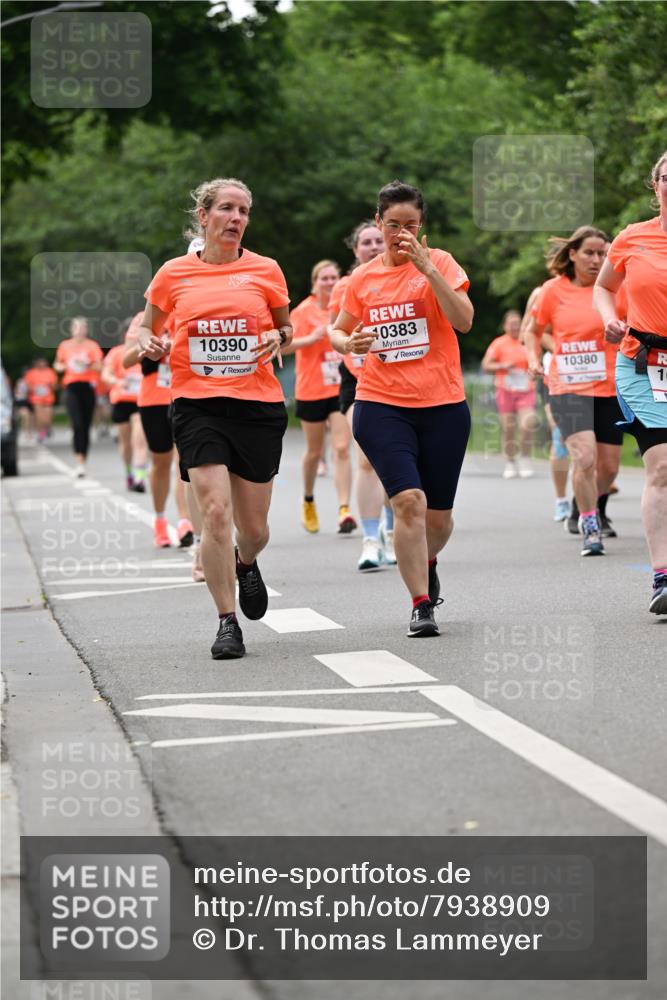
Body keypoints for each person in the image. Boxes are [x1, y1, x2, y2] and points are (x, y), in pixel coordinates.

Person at [136, 177, 292, 659]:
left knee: (256, 528)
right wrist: (150, 341)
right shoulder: (173, 273)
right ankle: (227, 622)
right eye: (226, 208)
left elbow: (286, 326)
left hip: (257, 407)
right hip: (197, 405)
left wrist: (278, 337)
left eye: (244, 210)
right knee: (215, 512)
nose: (237, 218)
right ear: (204, 217)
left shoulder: (265, 270)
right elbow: (147, 327)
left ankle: (247, 563)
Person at [331, 180, 473, 637]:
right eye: (392, 224)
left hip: (443, 404)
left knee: (439, 517)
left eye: (409, 224)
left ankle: (427, 562)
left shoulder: (443, 263)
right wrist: (348, 342)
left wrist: (429, 269)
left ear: (421, 225)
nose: (400, 233)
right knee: (409, 501)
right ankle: (420, 604)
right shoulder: (363, 278)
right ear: (378, 223)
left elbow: (464, 321)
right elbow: (338, 331)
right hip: (380, 402)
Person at [594, 150, 667, 615]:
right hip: (644, 364)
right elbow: (604, 288)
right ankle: (663, 577)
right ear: (655, 185)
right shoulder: (631, 238)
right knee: (661, 466)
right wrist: (609, 320)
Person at [526, 226, 623, 556]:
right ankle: (589, 522)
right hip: (568, 385)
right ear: (572, 254)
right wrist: (532, 358)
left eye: (602, 253)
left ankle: (583, 505)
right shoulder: (552, 290)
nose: (597, 260)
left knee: (609, 468)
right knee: (584, 457)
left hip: (610, 386)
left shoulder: (614, 289)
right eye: (589, 253)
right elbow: (533, 331)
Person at [330, 220, 397, 570]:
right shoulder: (346, 285)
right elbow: (338, 332)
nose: (372, 246)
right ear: (355, 249)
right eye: (365, 242)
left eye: (376, 240)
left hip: (396, 377)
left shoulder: (399, 277)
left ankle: (390, 528)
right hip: (357, 379)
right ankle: (370, 539)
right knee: (366, 458)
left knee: (391, 461)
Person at [282, 260, 357, 534]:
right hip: (311, 389)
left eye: (333, 277)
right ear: (315, 282)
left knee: (340, 447)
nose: (329, 282)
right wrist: (311, 339)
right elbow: (285, 347)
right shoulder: (303, 311)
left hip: (338, 388)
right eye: (324, 278)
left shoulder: (345, 305)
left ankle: (344, 509)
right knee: (314, 452)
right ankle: (309, 499)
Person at [122, 312, 195, 549]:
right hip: (153, 399)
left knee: (184, 461)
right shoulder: (144, 319)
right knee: (161, 463)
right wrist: (150, 344)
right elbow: (126, 360)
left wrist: (179, 345)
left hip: (185, 396)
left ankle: (185, 521)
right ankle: (161, 519)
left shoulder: (189, 310)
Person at [481, 309, 536, 479]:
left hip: (525, 389)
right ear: (505, 326)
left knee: (527, 423)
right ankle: (510, 462)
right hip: (505, 389)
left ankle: (525, 458)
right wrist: (502, 366)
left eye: (518, 324)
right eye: (511, 324)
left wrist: (534, 369)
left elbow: (536, 363)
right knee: (508, 427)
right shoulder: (499, 343)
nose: (515, 327)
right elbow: (486, 365)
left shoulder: (527, 341)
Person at [53, 317, 103, 476]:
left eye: (83, 327)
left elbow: (100, 366)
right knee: (77, 424)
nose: (80, 330)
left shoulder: (92, 346)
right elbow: (57, 365)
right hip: (71, 387)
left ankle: (84, 458)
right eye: (77, 327)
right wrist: (64, 365)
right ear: (72, 329)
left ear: (86, 330)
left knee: (86, 426)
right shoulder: (65, 346)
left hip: (88, 386)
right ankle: (79, 461)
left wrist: (86, 364)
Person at [102, 326, 149, 492]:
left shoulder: (147, 349)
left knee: (140, 440)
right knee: (126, 443)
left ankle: (140, 478)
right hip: (121, 401)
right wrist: (117, 382)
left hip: (140, 401)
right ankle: (129, 471)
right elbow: (105, 374)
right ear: (126, 335)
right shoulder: (116, 353)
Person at [23, 358, 58, 443]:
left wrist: (51, 386)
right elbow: (27, 385)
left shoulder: (50, 372)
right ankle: (41, 434)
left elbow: (55, 386)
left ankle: (48, 428)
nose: (42, 364)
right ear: (36, 363)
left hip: (48, 399)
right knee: (39, 417)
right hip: (36, 399)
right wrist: (34, 389)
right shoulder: (31, 373)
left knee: (48, 418)